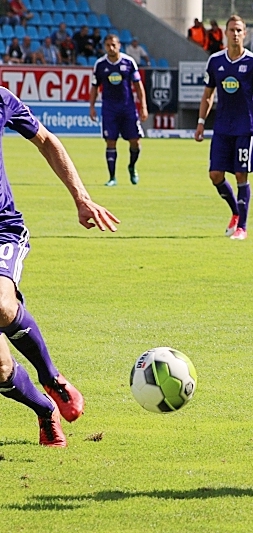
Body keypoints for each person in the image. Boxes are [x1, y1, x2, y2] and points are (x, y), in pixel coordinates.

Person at [0, 86, 119, 447]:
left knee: (1, 305)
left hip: (1, 230)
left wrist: (81, 198)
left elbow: (46, 140)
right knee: (2, 370)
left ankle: (51, 376)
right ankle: (44, 408)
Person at [194, 15, 253, 241]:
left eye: (239, 30)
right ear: (225, 33)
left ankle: (243, 227)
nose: (235, 34)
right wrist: (201, 122)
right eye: (232, 30)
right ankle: (236, 212)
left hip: (244, 127)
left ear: (245, 34)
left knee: (241, 174)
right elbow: (208, 95)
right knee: (215, 174)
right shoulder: (215, 61)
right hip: (221, 127)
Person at [89, 34, 148, 187]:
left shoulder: (129, 62)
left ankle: (132, 166)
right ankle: (112, 177)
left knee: (135, 142)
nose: (111, 48)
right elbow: (94, 87)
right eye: (108, 45)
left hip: (128, 108)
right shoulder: (100, 65)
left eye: (114, 44)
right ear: (104, 47)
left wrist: (143, 106)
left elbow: (138, 85)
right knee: (110, 142)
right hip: (109, 109)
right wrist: (92, 107)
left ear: (119, 45)